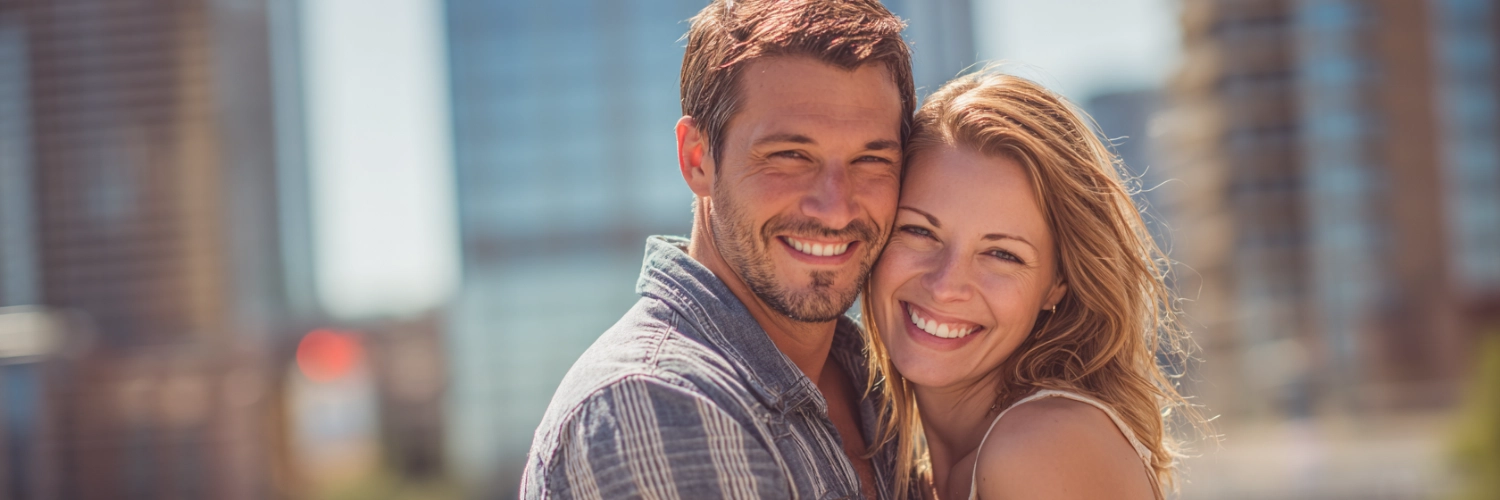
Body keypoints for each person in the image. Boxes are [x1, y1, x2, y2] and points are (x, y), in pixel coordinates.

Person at [520, 1, 917, 498]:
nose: (835, 209)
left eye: (870, 158)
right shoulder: (657, 403)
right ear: (697, 159)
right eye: (790, 155)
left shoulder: (888, 380)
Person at [860, 71, 1206, 499]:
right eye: (920, 231)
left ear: (1057, 285)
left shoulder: (1040, 449)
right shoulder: (924, 473)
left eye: (1002, 254)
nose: (947, 284)